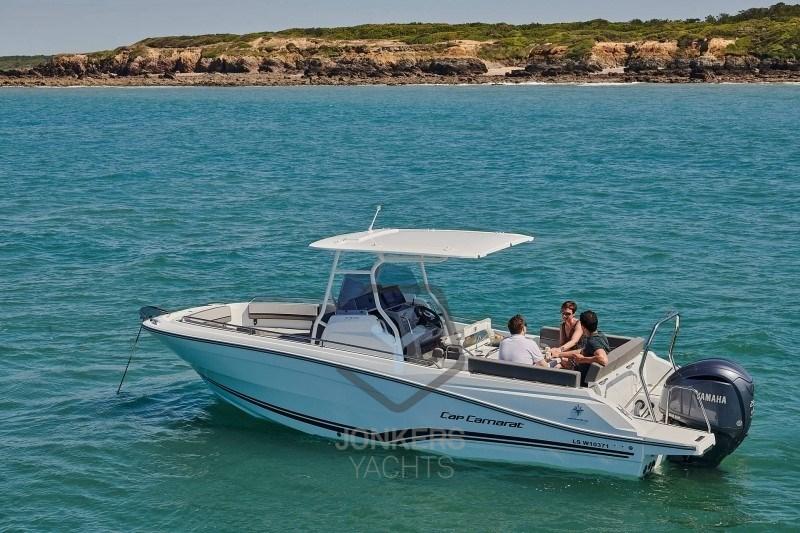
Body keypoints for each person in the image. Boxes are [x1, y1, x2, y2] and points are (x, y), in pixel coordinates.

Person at [558, 310, 609, 385]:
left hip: (578, 380)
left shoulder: (592, 342)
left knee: (551, 370)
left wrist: (582, 359)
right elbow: (582, 350)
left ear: (582, 326)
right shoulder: (601, 335)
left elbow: (603, 359)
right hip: (579, 372)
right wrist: (559, 354)